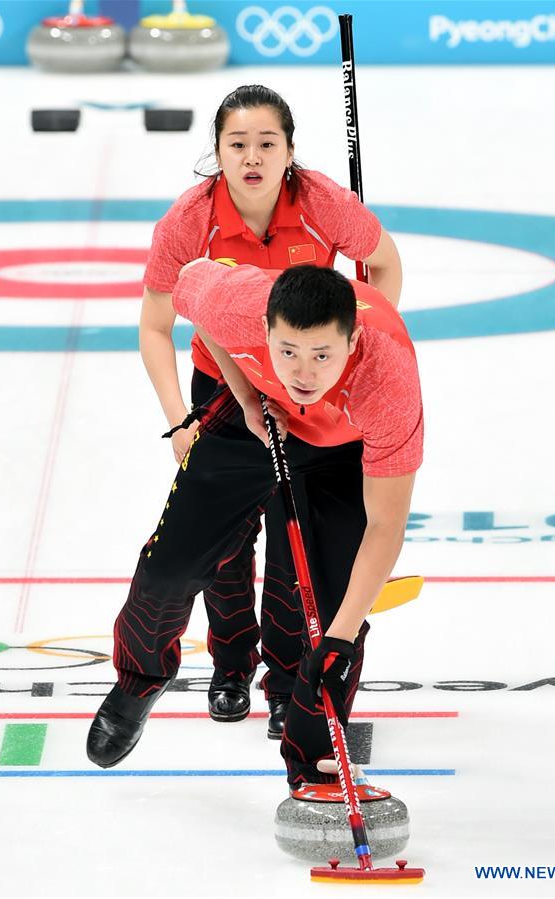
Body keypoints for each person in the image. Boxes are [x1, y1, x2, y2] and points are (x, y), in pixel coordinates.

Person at [87, 260, 422, 786]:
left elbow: (385, 525)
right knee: (168, 572)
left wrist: (342, 635)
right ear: (264, 329)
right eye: (287, 352)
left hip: (338, 447)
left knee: (334, 622)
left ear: (353, 341)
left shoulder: (388, 385)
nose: (303, 373)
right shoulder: (234, 304)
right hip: (255, 420)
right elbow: (190, 290)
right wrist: (246, 396)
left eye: (321, 355)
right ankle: (140, 678)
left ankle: (313, 767)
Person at [140, 84, 403, 737]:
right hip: (223, 387)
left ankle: (289, 682)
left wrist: (364, 343)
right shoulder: (189, 220)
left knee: (300, 545)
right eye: (237, 144)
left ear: (289, 151)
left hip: (305, 390)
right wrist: (181, 417)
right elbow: (154, 325)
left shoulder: (321, 204)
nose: (252, 157)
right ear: (218, 152)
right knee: (228, 544)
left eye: (267, 144)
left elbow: (383, 264)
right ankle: (230, 665)